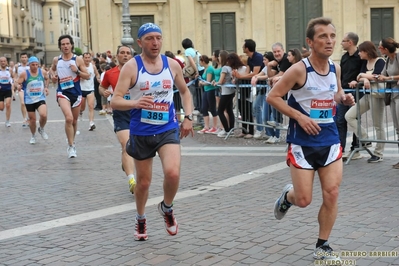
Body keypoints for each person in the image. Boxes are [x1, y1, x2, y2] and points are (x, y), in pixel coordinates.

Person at [267, 17, 355, 262]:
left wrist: (343, 98)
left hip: (329, 140)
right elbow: (273, 97)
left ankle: (323, 245)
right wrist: (300, 117)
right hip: (302, 143)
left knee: (332, 192)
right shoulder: (298, 70)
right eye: (323, 37)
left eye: (332, 36)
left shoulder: (335, 68)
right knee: (304, 199)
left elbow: (335, 93)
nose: (329, 41)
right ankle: (288, 197)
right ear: (310, 42)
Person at [111, 22, 194, 241]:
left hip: (167, 128)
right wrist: (135, 103)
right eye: (149, 38)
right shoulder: (132, 67)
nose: (155, 42)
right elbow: (115, 101)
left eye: (158, 37)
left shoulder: (172, 64)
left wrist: (188, 117)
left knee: (173, 173)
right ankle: (140, 217)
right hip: (142, 131)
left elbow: (185, 93)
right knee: (144, 183)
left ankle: (167, 208)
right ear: (140, 42)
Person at [99, 46, 136, 194]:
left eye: (128, 53)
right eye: (122, 53)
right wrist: (104, 91)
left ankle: (126, 163)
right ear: (117, 56)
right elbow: (101, 87)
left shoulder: (138, 71)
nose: (125, 55)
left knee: (136, 148)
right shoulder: (110, 73)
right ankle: (132, 180)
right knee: (126, 145)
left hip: (137, 113)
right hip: (121, 114)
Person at [345, 41, 386, 163]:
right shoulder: (365, 62)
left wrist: (364, 76)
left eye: (361, 51)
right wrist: (364, 77)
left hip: (377, 96)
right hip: (367, 96)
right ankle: (365, 138)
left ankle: (379, 153)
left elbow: (377, 76)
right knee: (349, 116)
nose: (359, 54)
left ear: (367, 52)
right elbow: (359, 77)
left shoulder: (380, 61)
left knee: (378, 124)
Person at [50, 34, 90, 158]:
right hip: (63, 92)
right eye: (63, 44)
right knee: (68, 118)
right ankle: (71, 146)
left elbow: (87, 75)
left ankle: (72, 141)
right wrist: (53, 76)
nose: (66, 46)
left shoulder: (77, 59)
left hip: (76, 93)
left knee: (74, 120)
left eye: (67, 44)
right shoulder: (57, 60)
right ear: (60, 46)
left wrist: (77, 71)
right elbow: (51, 70)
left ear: (72, 45)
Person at [337, 32, 364, 160]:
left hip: (356, 92)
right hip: (344, 91)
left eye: (343, 40)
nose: (341, 43)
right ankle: (340, 148)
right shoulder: (344, 57)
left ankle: (356, 148)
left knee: (353, 119)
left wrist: (357, 82)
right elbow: (341, 74)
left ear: (350, 42)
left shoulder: (360, 57)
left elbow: (363, 73)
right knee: (340, 120)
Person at [233, 39, 264, 138]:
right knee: (243, 109)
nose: (242, 48)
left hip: (261, 85)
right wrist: (239, 78)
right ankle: (244, 130)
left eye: (243, 46)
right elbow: (248, 71)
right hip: (251, 85)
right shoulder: (250, 59)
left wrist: (240, 77)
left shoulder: (258, 57)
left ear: (247, 48)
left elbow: (255, 73)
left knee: (253, 108)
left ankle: (254, 130)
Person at [16, 56, 50, 144]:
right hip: (29, 100)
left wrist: (46, 87)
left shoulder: (42, 72)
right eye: (33, 65)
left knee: (43, 115)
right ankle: (33, 135)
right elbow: (17, 82)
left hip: (40, 98)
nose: (35, 67)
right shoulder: (25, 74)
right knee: (32, 120)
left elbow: (47, 78)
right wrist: (18, 86)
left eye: (36, 65)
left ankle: (41, 129)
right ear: (29, 65)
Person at [377, 37, 399, 166]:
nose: (379, 49)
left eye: (380, 47)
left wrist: (389, 77)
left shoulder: (398, 57)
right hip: (393, 96)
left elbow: (388, 76)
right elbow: (382, 75)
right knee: (397, 128)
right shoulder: (387, 60)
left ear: (385, 49)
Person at [250, 51, 275, 141]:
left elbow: (267, 76)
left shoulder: (273, 67)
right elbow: (260, 74)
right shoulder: (265, 67)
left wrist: (256, 77)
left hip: (272, 93)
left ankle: (273, 134)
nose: (263, 61)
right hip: (265, 91)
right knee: (262, 111)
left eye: (265, 60)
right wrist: (255, 76)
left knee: (269, 114)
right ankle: (264, 130)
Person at [79, 52, 101, 131]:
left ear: (91, 58)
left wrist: (98, 78)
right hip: (81, 89)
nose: (87, 59)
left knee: (91, 106)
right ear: (83, 58)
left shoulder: (93, 66)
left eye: (89, 57)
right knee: (83, 107)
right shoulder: (80, 67)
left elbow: (97, 74)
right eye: (86, 58)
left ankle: (91, 123)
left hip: (90, 89)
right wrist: (82, 77)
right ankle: (80, 112)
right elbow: (77, 77)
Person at [181, 38, 203, 113]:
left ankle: (199, 111)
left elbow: (192, 62)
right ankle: (200, 111)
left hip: (199, 71)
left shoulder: (187, 51)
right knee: (199, 92)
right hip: (202, 69)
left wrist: (196, 72)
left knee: (197, 93)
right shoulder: (194, 50)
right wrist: (185, 68)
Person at [197, 55, 218, 134]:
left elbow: (208, 82)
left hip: (210, 90)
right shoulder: (205, 69)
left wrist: (201, 83)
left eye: (200, 61)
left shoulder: (209, 69)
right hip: (206, 91)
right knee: (204, 108)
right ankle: (206, 126)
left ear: (202, 61)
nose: (199, 63)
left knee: (212, 108)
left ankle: (215, 127)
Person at [14, 53, 30, 128]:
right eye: (22, 57)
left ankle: (30, 118)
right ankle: (24, 119)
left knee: (29, 103)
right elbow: (15, 77)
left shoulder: (30, 66)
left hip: (30, 87)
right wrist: (17, 84)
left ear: (27, 58)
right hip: (21, 87)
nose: (24, 58)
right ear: (20, 58)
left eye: (25, 57)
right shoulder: (17, 66)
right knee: (23, 103)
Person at [0, 57, 14, 127]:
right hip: (0, 90)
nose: (3, 62)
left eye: (4, 61)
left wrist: (13, 84)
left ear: (6, 62)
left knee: (8, 105)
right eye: (1, 61)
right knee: (1, 108)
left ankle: (7, 121)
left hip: (8, 89)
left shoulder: (10, 70)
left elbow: (14, 77)